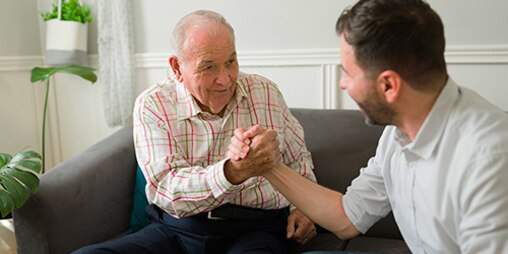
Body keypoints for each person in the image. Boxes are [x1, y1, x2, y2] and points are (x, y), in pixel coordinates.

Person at [228, 0, 508, 253]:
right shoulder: (397, 133)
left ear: (388, 85)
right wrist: (268, 166)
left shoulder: (489, 157)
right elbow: (347, 218)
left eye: (348, 73)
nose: (342, 84)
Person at [73, 10, 317, 254]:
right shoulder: (154, 105)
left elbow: (298, 159)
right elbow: (167, 189)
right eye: (208, 67)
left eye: (231, 61)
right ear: (177, 67)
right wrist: (232, 172)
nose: (225, 79)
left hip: (256, 228)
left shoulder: (265, 92)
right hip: (177, 229)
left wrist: (303, 209)